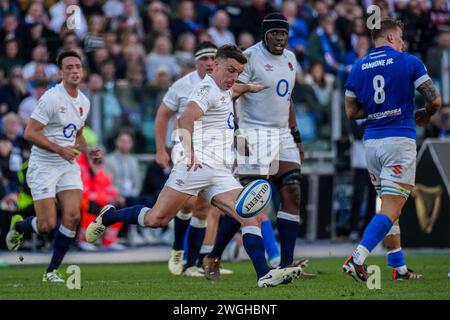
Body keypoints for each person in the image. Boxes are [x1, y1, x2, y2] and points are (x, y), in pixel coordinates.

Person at [86, 44, 303, 288]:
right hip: (195, 168)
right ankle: (110, 215)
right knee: (156, 218)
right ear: (216, 65)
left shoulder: (226, 87)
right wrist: (189, 150)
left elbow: (235, 90)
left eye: (237, 72)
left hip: (219, 172)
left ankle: (263, 275)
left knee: (249, 217)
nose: (233, 77)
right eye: (230, 70)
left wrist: (252, 87)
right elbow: (185, 118)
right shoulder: (206, 89)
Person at [202, 13, 312, 281]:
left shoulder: (291, 59)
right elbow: (230, 93)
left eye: (284, 34)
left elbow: (287, 100)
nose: (280, 38)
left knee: (293, 193)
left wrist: (296, 138)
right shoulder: (249, 57)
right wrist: (237, 133)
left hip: (282, 134)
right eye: (275, 33)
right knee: (250, 204)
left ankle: (285, 267)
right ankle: (213, 256)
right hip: (254, 133)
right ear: (265, 34)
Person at [343, 18, 441, 282]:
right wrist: (425, 113)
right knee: (391, 208)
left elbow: (351, 112)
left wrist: (378, 111)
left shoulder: (358, 66)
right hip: (399, 140)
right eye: (400, 38)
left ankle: (398, 268)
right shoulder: (409, 61)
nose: (403, 43)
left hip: (372, 144)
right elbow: (435, 100)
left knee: (388, 208)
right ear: (389, 38)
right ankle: (357, 257)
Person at [6, 50, 101, 282]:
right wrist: (59, 149)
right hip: (44, 164)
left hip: (67, 164)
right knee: (47, 224)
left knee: (72, 216)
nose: (74, 71)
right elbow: (30, 132)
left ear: (83, 71)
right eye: (69, 67)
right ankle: (19, 227)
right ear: (60, 72)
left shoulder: (84, 102)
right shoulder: (50, 98)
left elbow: (77, 132)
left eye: (77, 66)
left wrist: (88, 151)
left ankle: (51, 271)